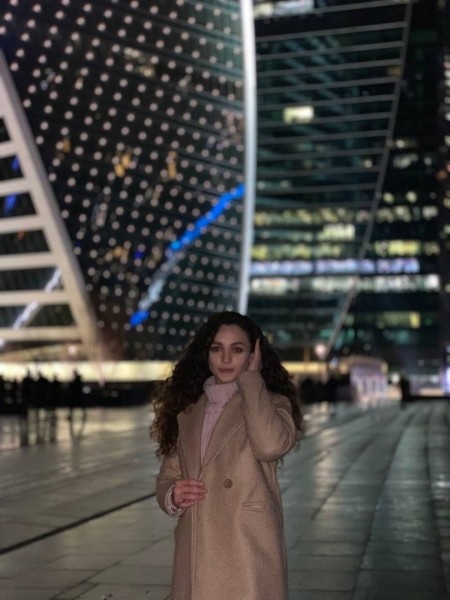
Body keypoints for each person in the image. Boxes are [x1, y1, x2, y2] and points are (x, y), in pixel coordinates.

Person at [152, 311, 302, 600]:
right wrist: (172, 494)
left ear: (253, 355)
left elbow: (270, 446)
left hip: (247, 547)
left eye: (237, 349)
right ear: (206, 354)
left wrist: (252, 380)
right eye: (216, 348)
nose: (225, 358)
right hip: (196, 548)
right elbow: (168, 476)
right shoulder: (186, 410)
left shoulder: (272, 403)